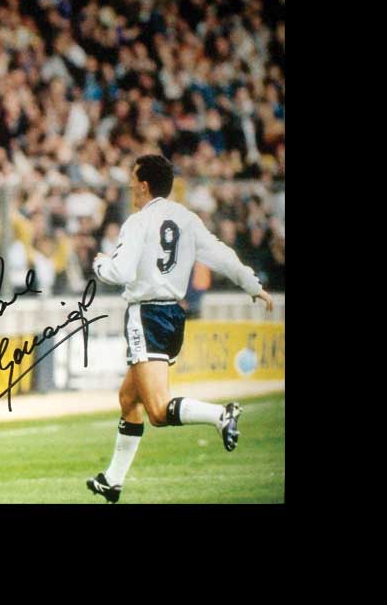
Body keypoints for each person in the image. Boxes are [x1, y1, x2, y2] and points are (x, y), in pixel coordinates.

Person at [86, 153, 274, 503]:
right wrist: (252, 285)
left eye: (132, 180)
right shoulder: (186, 219)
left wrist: (101, 265)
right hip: (174, 314)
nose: (130, 186)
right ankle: (112, 480)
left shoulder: (138, 222)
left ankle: (221, 414)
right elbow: (221, 255)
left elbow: (121, 272)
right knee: (129, 398)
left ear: (144, 185)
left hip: (147, 315)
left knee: (158, 411)